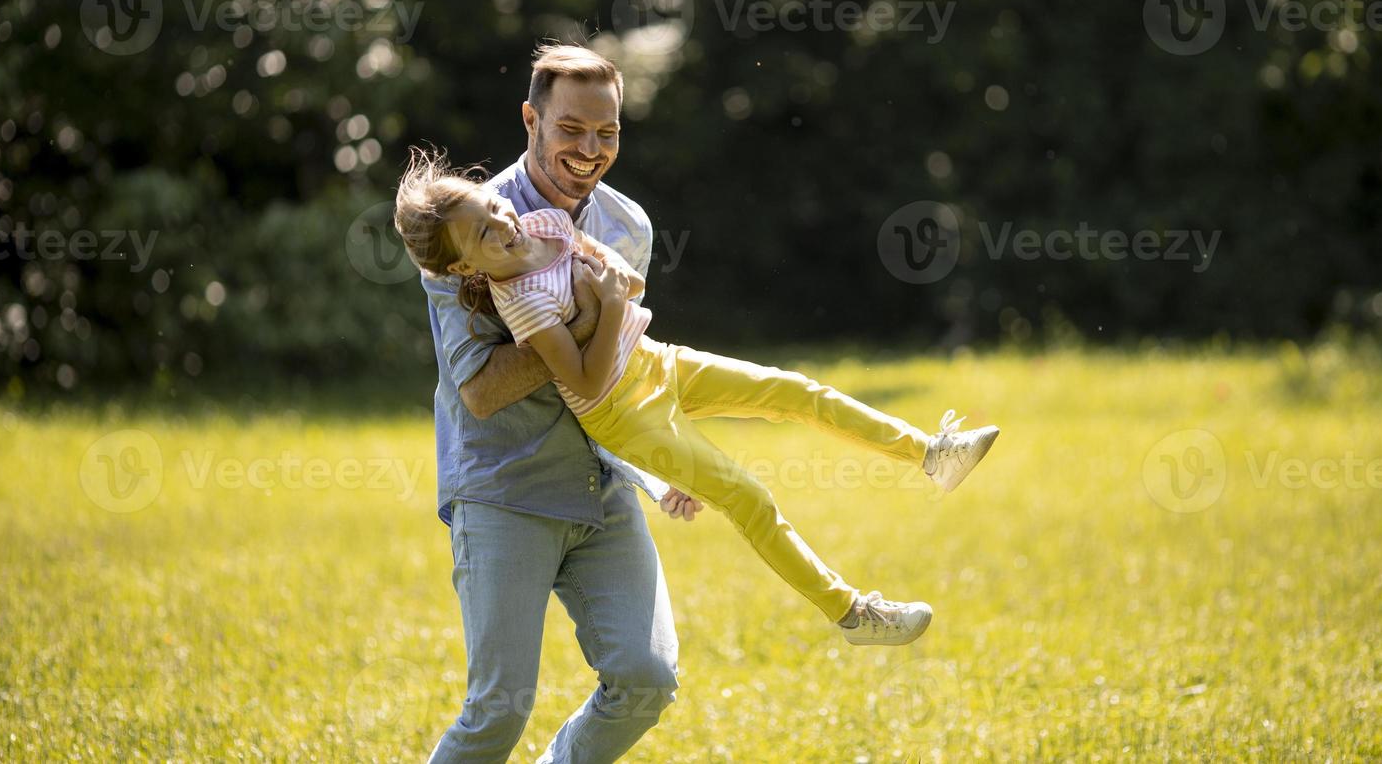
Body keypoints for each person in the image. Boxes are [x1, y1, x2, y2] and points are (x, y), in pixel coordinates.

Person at [395, 142, 1001, 648]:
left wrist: (608, 297)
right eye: (483, 233)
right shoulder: (518, 300)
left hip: (657, 360)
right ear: (461, 268)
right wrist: (603, 305)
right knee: (746, 496)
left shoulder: (546, 223)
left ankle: (930, 453)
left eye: (495, 206)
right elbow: (583, 377)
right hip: (621, 410)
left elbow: (630, 282)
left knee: (793, 390)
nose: (504, 223)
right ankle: (852, 614)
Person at [420, 45, 699, 763]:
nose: (590, 148)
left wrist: (661, 466)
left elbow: (617, 373)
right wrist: (582, 321)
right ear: (531, 118)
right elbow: (479, 390)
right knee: (496, 715)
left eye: (607, 133)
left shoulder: (627, 226)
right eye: (572, 128)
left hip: (599, 488)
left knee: (646, 679)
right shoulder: (470, 225)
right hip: (506, 491)